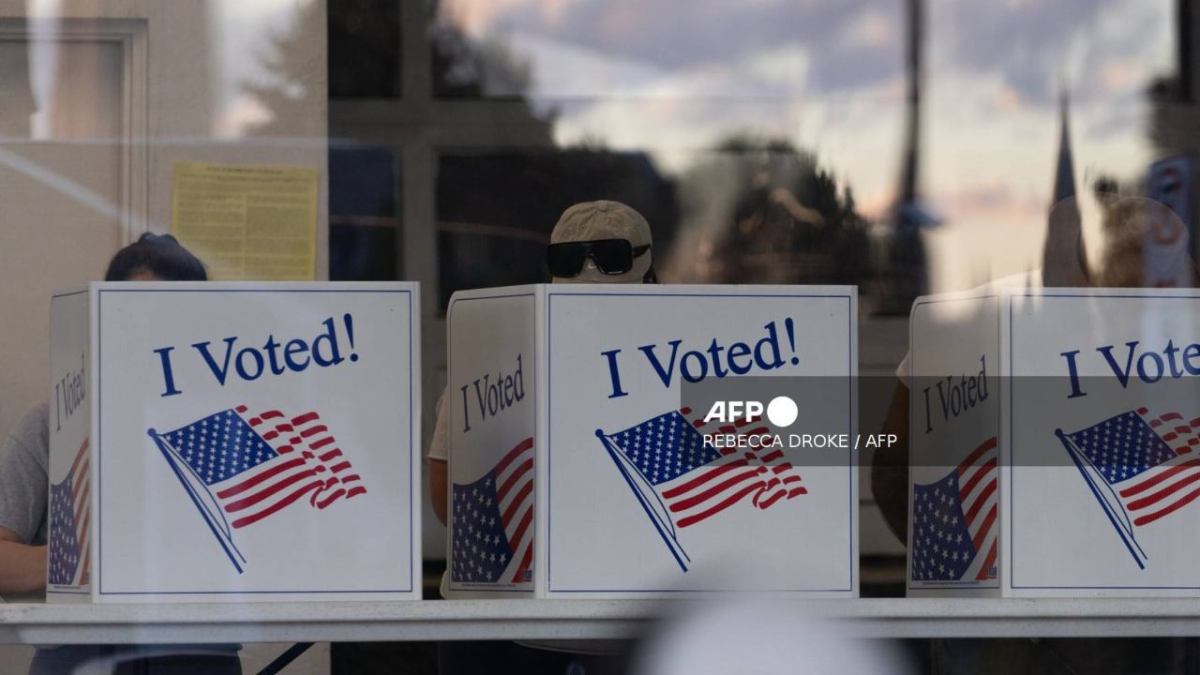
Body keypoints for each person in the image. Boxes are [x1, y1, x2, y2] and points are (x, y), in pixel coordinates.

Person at [0, 233, 242, 674]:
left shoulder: (229, 426)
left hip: (200, 654)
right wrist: (89, 560)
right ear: (104, 316)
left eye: (178, 318)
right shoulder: (52, 424)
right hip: (80, 653)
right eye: (139, 312)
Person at [429, 200, 652, 675]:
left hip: (497, 622)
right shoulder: (690, 358)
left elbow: (447, 502)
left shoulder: (489, 355)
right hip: (612, 628)